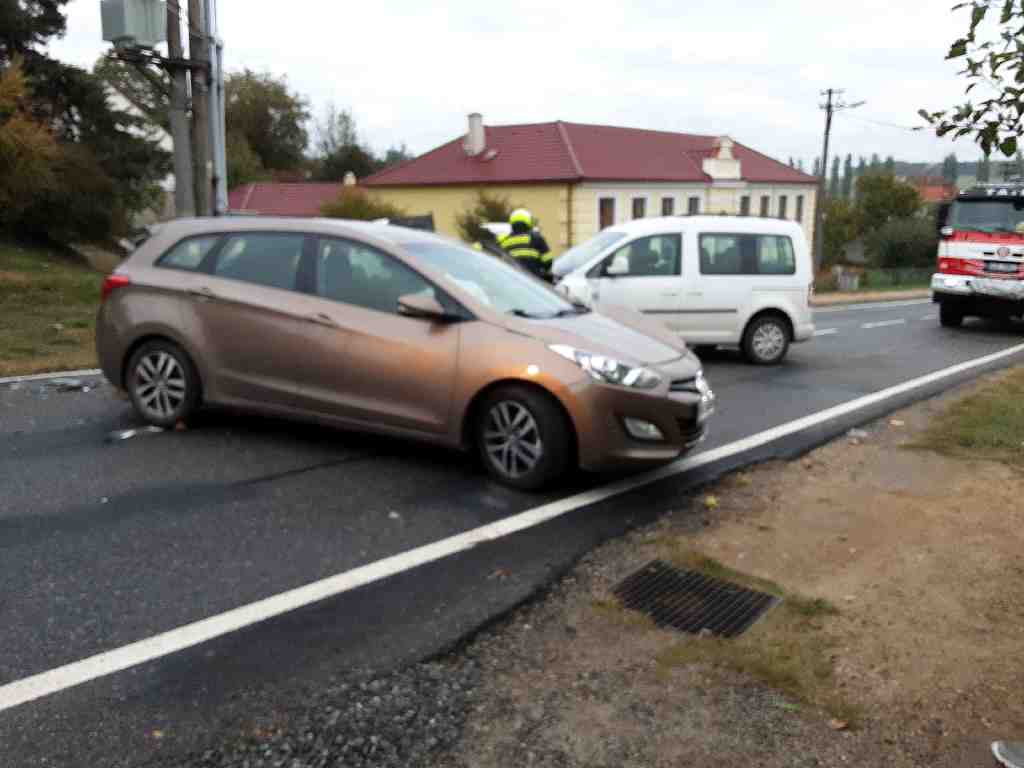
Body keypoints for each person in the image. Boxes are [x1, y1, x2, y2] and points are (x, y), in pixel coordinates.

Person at [499, 208, 551, 280]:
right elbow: (548, 261)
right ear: (529, 222)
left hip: (512, 280)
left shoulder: (504, 241)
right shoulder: (536, 238)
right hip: (534, 281)